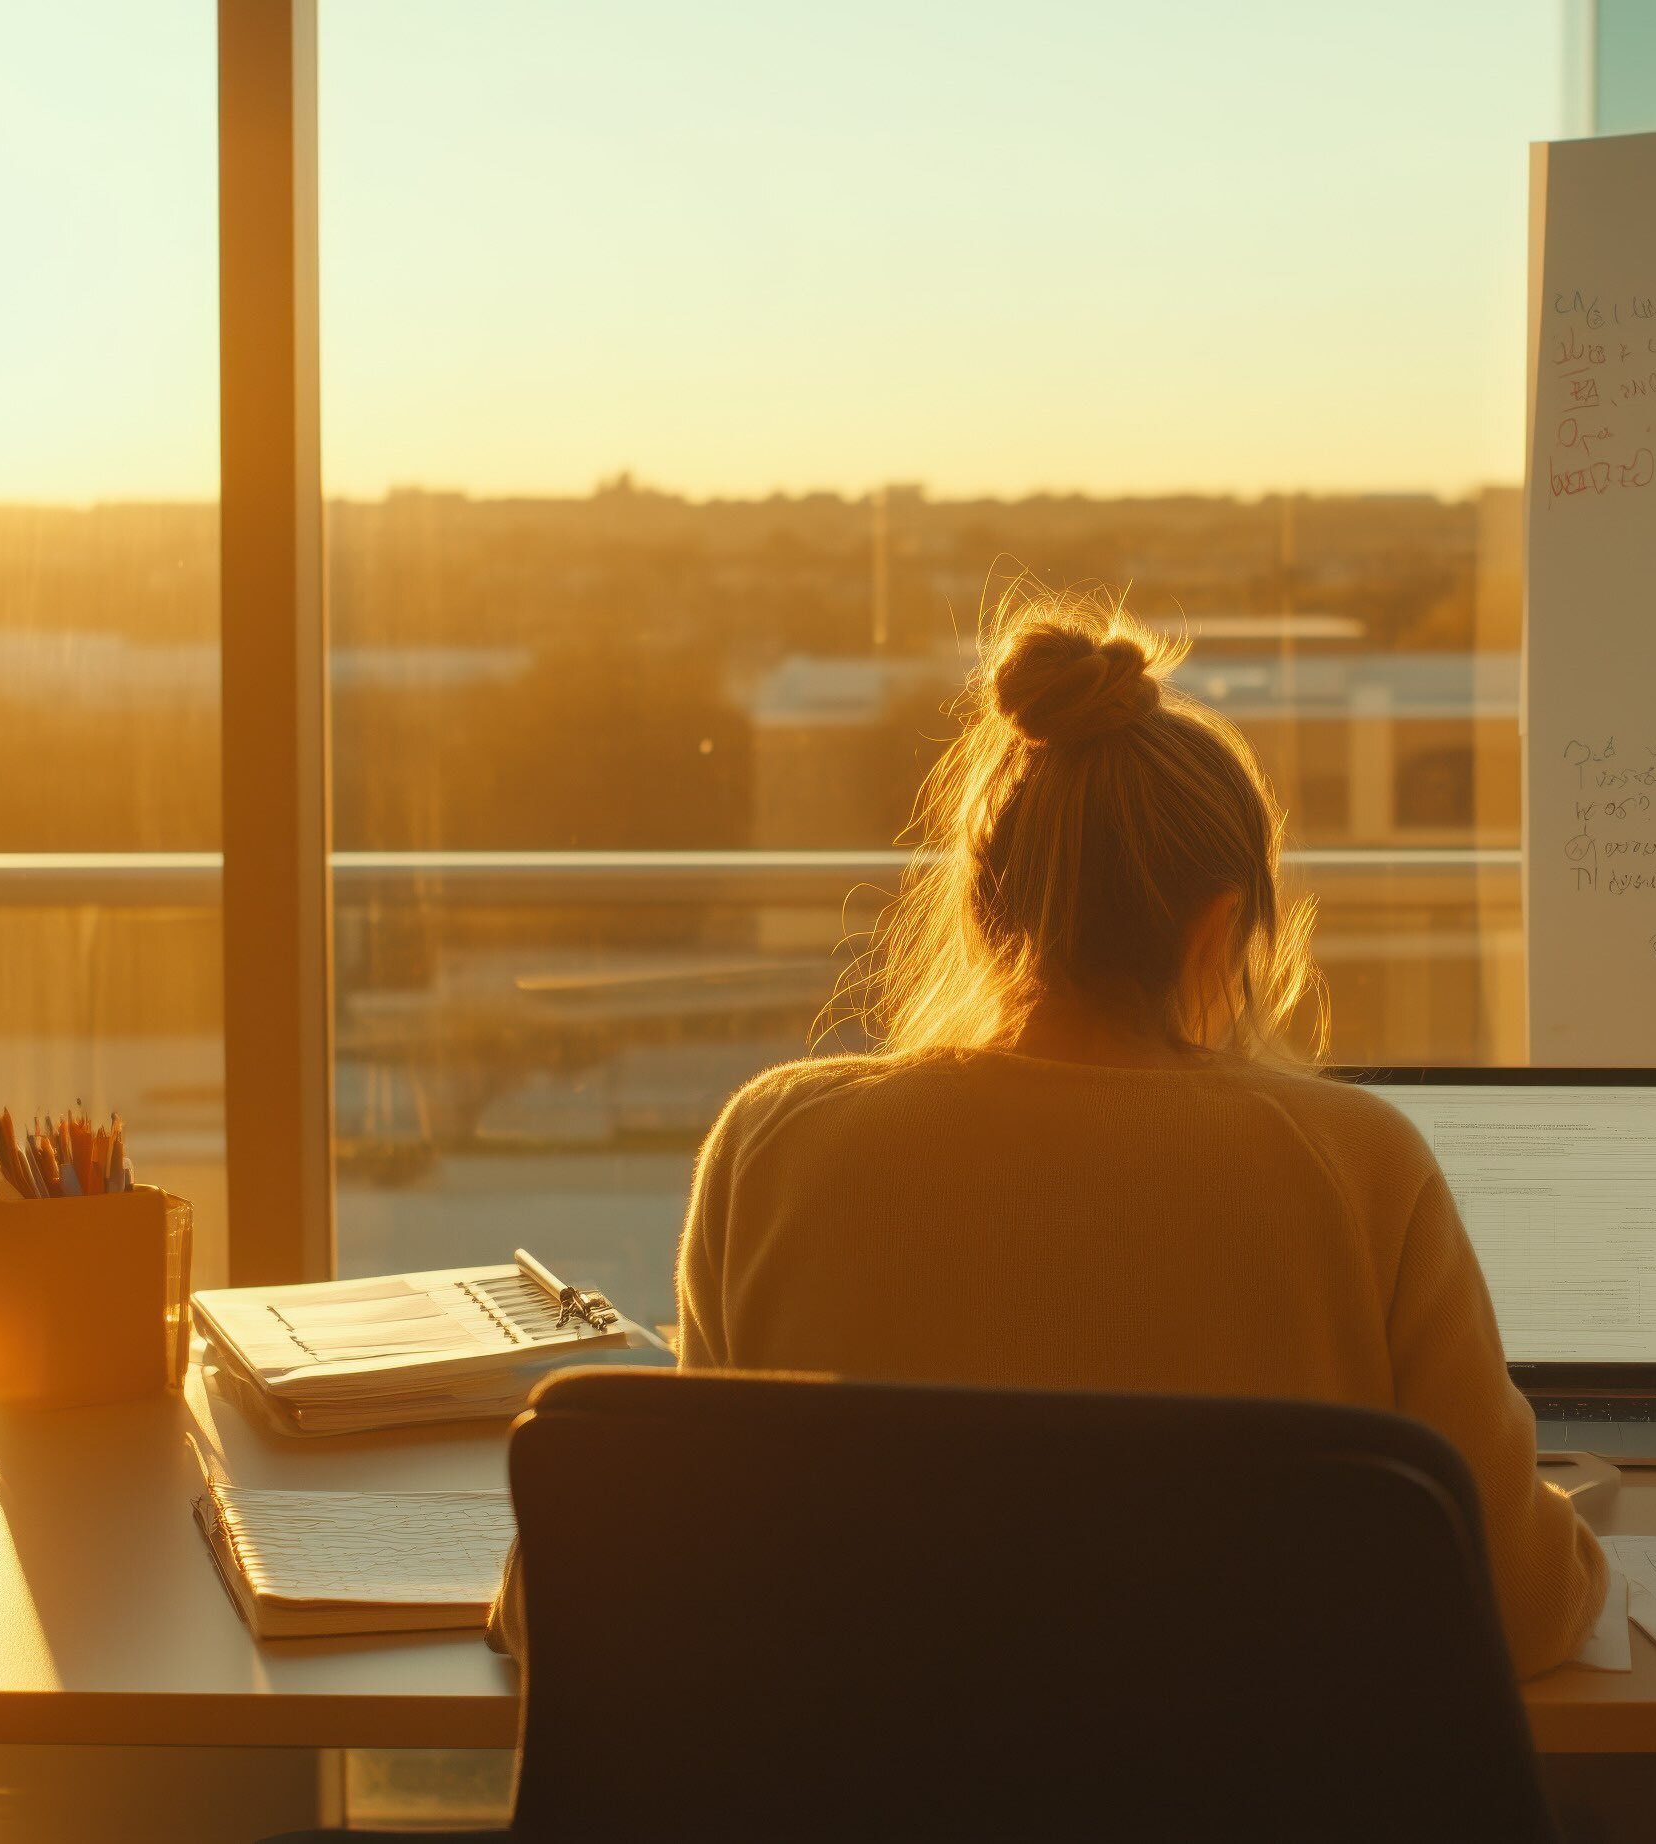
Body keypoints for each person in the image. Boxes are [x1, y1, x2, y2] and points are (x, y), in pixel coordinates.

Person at [671, 589, 1606, 1674]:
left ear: (981, 906)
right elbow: (1524, 1611)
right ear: (1219, 924)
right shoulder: (1358, 1160)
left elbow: (688, 1549)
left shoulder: (774, 1140)